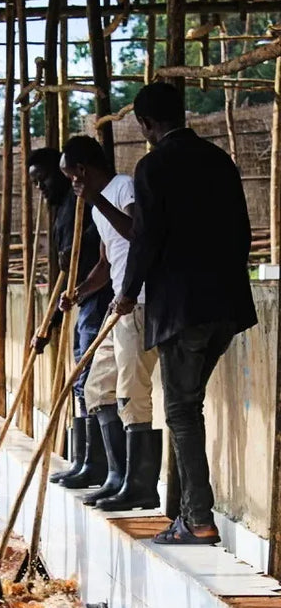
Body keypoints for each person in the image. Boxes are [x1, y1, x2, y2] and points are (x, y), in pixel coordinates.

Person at [115, 82, 257, 544]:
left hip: (182, 310)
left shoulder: (153, 166)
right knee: (188, 404)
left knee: (180, 408)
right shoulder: (219, 160)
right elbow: (242, 231)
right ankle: (191, 514)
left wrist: (128, 292)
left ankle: (197, 519)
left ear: (145, 124)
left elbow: (146, 238)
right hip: (227, 307)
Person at [59, 135, 161, 511]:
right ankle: (116, 477)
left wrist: (97, 200)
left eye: (72, 177)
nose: (72, 185)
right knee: (97, 387)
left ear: (83, 170)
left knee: (131, 393)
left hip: (140, 301)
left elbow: (137, 232)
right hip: (117, 305)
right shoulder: (97, 206)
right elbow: (105, 264)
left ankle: (141, 487)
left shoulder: (123, 188)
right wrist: (79, 292)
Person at [27, 147, 113, 489]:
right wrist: (49, 325)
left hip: (100, 295)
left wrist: (78, 251)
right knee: (81, 379)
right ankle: (85, 460)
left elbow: (100, 242)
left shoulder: (86, 203)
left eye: (44, 179)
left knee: (88, 378)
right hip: (82, 298)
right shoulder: (64, 209)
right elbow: (65, 271)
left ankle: (96, 464)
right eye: (35, 183)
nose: (41, 188)